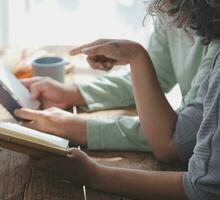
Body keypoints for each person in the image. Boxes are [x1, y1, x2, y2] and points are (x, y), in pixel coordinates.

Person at [15, 1, 220, 199]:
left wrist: (81, 129)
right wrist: (73, 93)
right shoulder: (172, 8)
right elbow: (154, 77)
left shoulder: (213, 37)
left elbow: (176, 141)